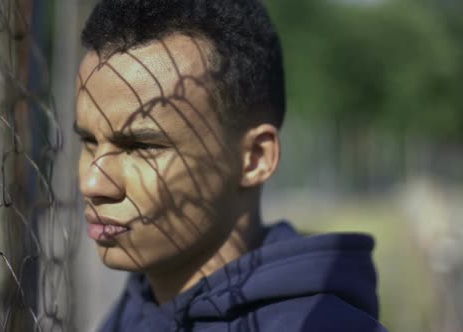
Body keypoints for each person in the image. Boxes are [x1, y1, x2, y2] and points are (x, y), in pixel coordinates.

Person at [74, 0, 387, 331]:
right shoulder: (132, 310)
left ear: (255, 158)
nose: (93, 183)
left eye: (142, 147)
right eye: (89, 142)